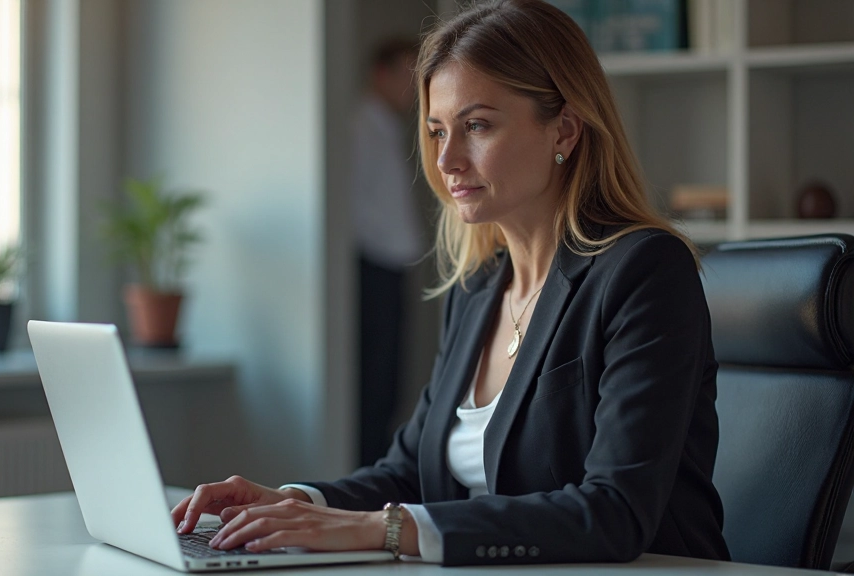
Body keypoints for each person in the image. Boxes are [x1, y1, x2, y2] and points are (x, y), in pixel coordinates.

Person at [171, 0, 731, 565]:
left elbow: (614, 512)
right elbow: (411, 469)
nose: (447, 160)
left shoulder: (644, 272)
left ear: (564, 128)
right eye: (438, 131)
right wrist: (294, 503)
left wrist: (380, 530)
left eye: (477, 126)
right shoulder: (479, 287)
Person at [350, 38, 426, 467]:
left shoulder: (387, 129)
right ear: (381, 73)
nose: (412, 89)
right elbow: (357, 207)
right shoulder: (360, 129)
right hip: (372, 266)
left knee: (390, 382)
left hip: (392, 264)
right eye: (407, 76)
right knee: (375, 385)